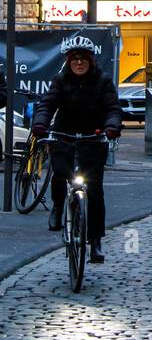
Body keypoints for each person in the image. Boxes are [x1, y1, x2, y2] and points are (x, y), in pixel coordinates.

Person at [32, 35, 122, 264]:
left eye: (83, 59)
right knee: (60, 170)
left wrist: (111, 127)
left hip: (94, 136)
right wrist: (41, 124)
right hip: (65, 134)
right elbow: (47, 104)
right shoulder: (60, 80)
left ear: (91, 61)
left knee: (95, 190)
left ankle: (96, 242)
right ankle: (58, 206)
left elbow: (112, 108)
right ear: (69, 62)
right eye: (75, 59)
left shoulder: (102, 81)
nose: (79, 63)